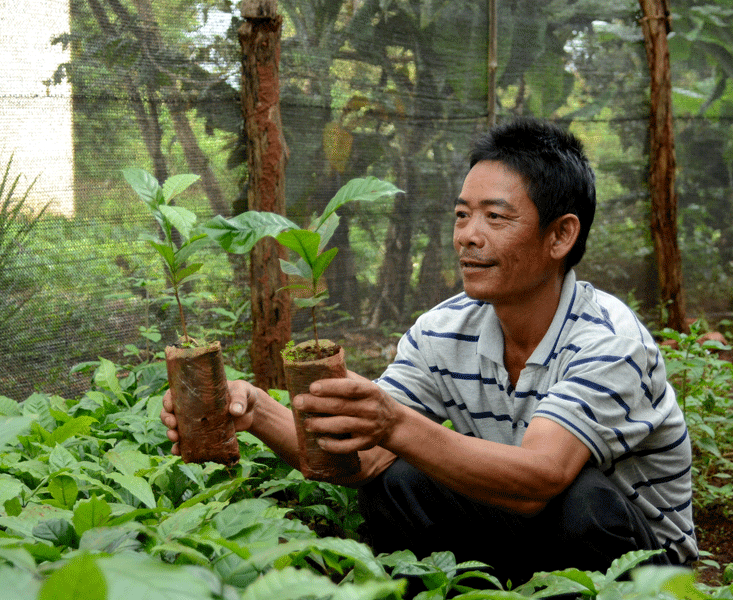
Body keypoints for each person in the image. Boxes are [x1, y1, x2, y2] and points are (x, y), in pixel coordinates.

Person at [160, 118, 697, 585]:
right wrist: (254, 410)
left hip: (645, 569)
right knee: (394, 483)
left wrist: (394, 424)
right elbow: (364, 457)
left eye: (495, 217)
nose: (468, 236)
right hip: (530, 536)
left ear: (560, 236)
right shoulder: (443, 329)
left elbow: (541, 478)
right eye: (462, 215)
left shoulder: (610, 339)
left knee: (583, 501)